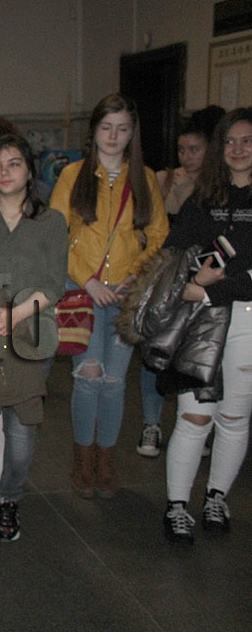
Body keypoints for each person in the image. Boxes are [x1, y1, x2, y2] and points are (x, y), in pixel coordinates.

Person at [49, 93, 168, 499]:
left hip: (125, 295)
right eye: (106, 127)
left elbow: (158, 235)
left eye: (122, 129)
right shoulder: (73, 175)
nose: (113, 136)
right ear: (94, 131)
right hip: (82, 291)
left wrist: (135, 275)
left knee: (115, 383)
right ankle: (83, 459)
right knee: (89, 378)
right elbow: (57, 235)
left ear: (133, 133)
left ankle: (106, 459)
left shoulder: (144, 178)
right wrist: (88, 280)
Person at [0, 134, 67, 541]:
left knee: (22, 431)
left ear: (29, 170)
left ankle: (10, 498)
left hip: (32, 335)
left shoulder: (51, 222)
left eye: (14, 164)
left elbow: (55, 283)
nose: (5, 172)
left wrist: (17, 314)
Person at [162, 108, 252, 543]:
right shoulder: (201, 200)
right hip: (201, 323)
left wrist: (209, 290)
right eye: (230, 141)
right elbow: (172, 257)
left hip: (246, 321)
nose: (238, 149)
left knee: (234, 417)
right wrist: (193, 280)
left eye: (247, 140)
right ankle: (177, 505)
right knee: (195, 417)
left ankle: (216, 497)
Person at [136, 105, 225, 458]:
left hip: (206, 277)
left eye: (195, 149)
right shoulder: (163, 180)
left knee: (198, 354)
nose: (187, 157)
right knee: (157, 347)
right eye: (182, 149)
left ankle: (199, 426)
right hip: (170, 274)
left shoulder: (220, 190)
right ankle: (151, 423)